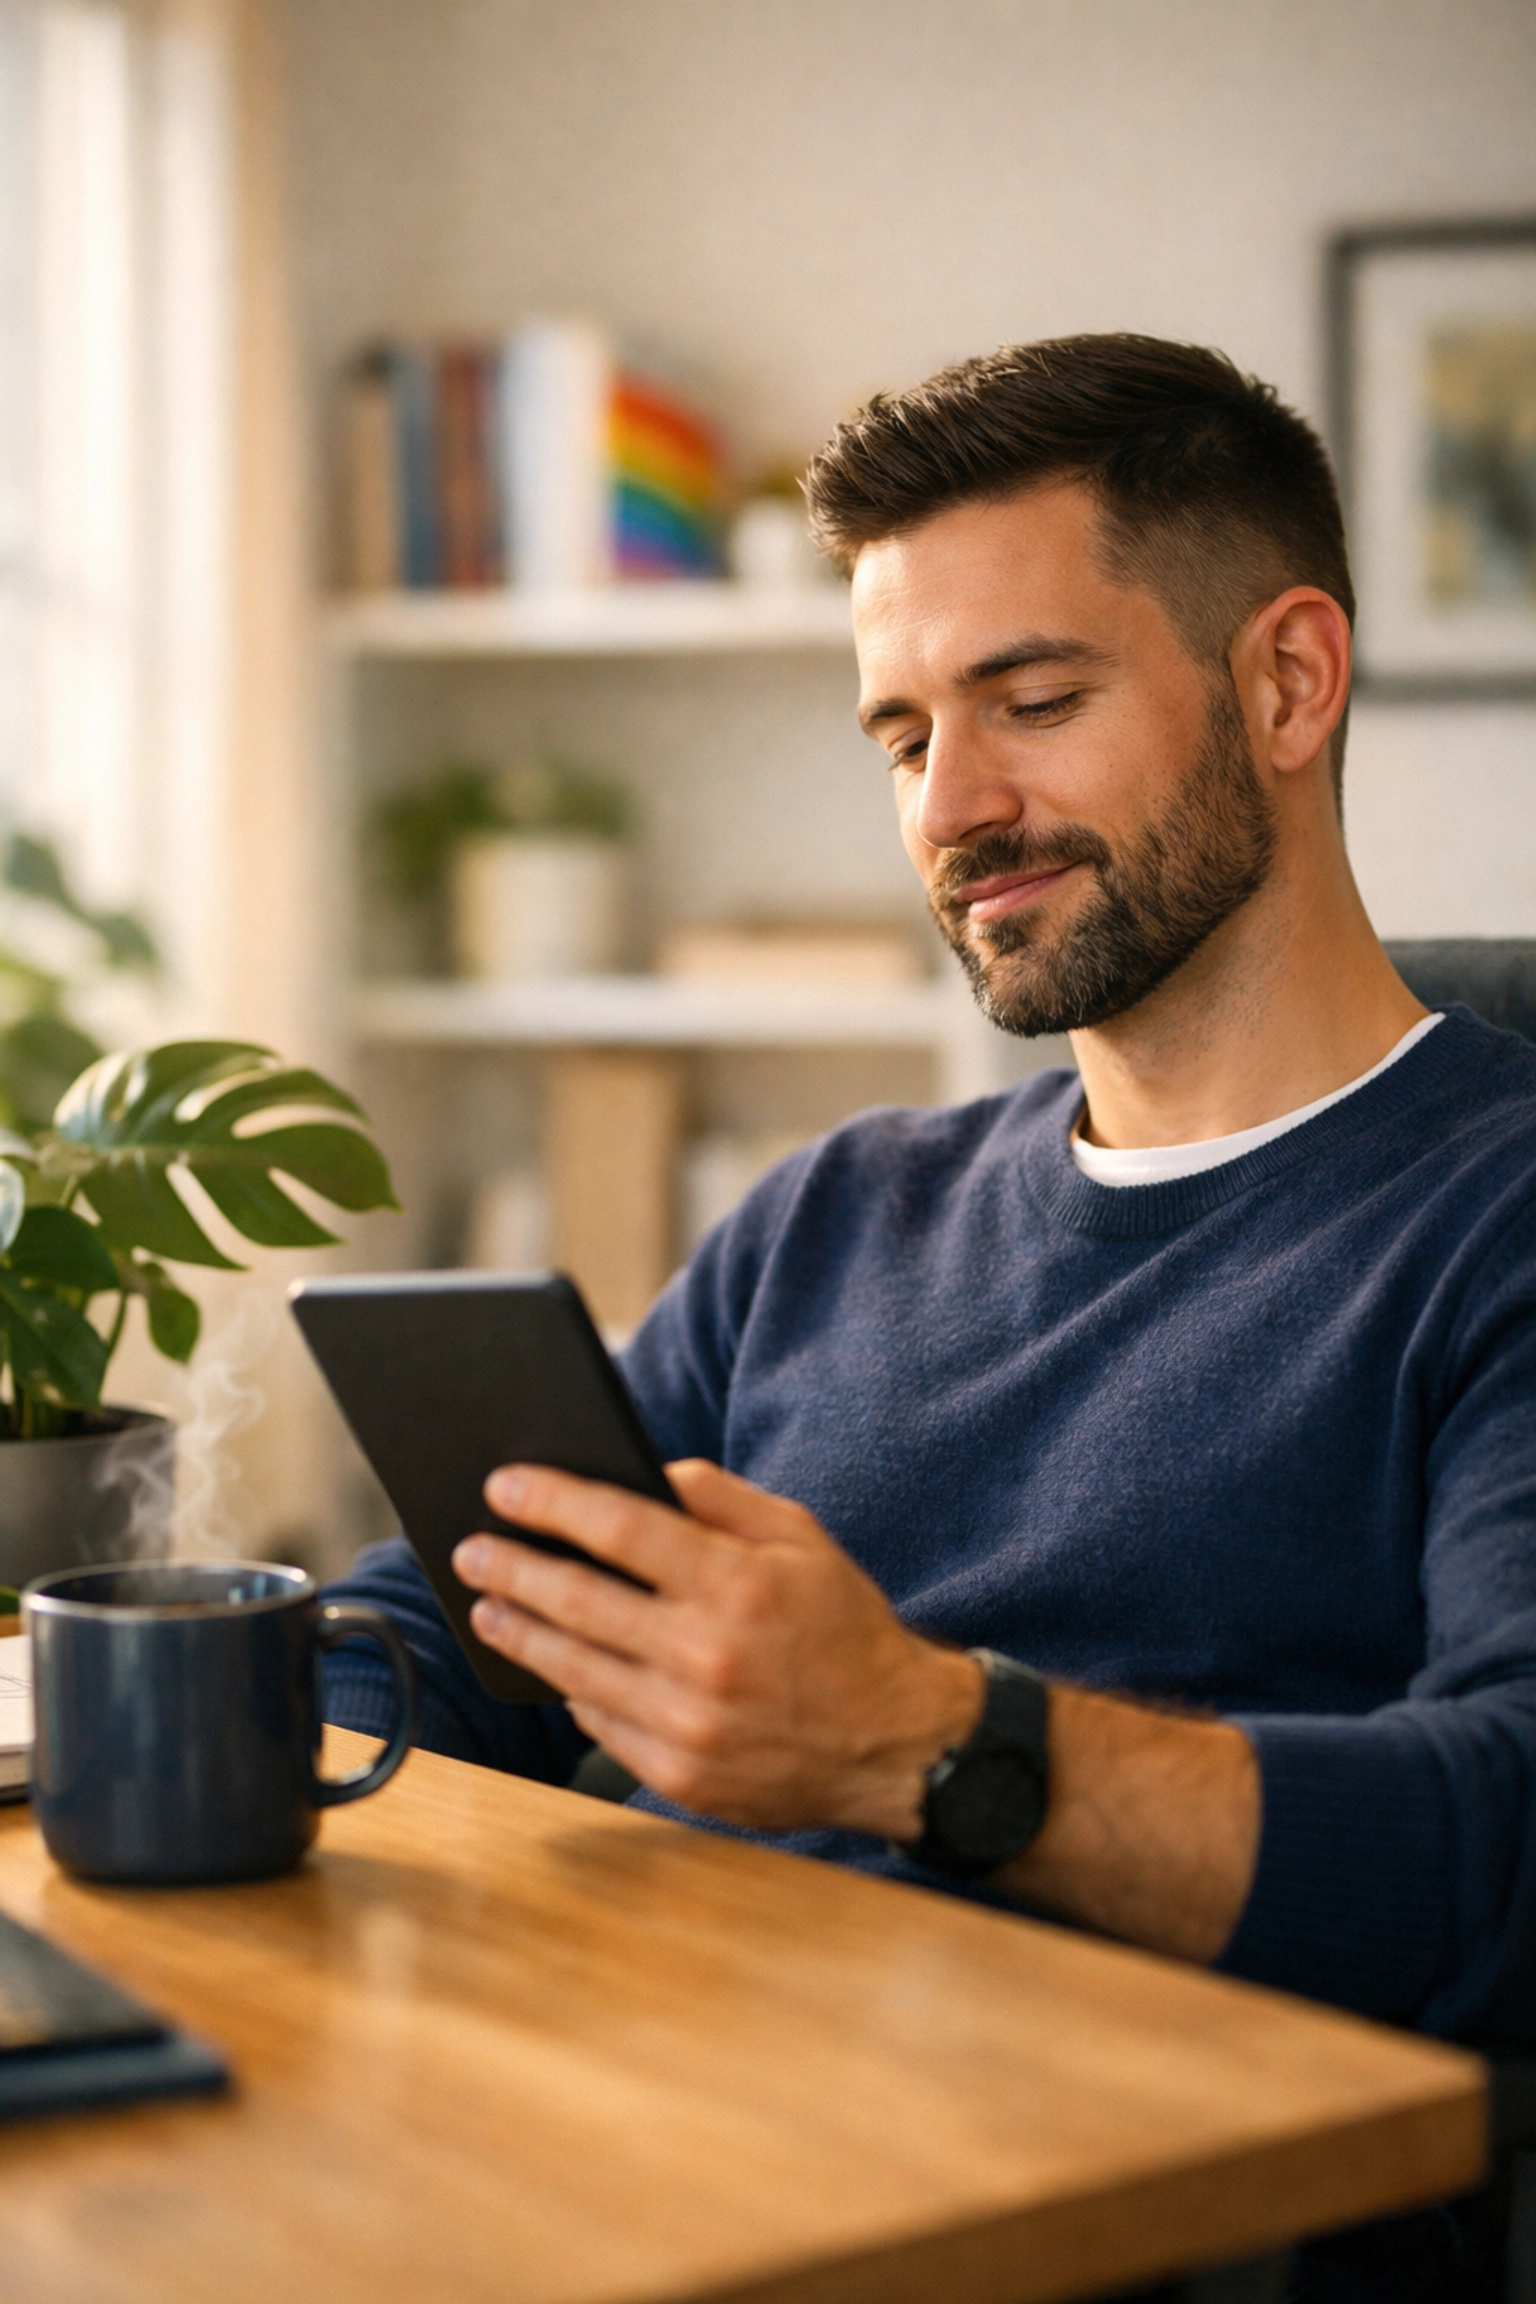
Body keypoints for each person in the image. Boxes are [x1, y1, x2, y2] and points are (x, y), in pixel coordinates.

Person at [324, 337, 1536, 2301]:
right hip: (610, 2128)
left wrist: (915, 1740)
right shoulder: (838, 1209)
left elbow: (1510, 1847)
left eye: (1032, 700)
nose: (955, 807)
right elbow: (440, 1618)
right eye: (900, 738)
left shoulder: (1495, 1215)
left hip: (1086, 2219)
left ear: (1288, 680)